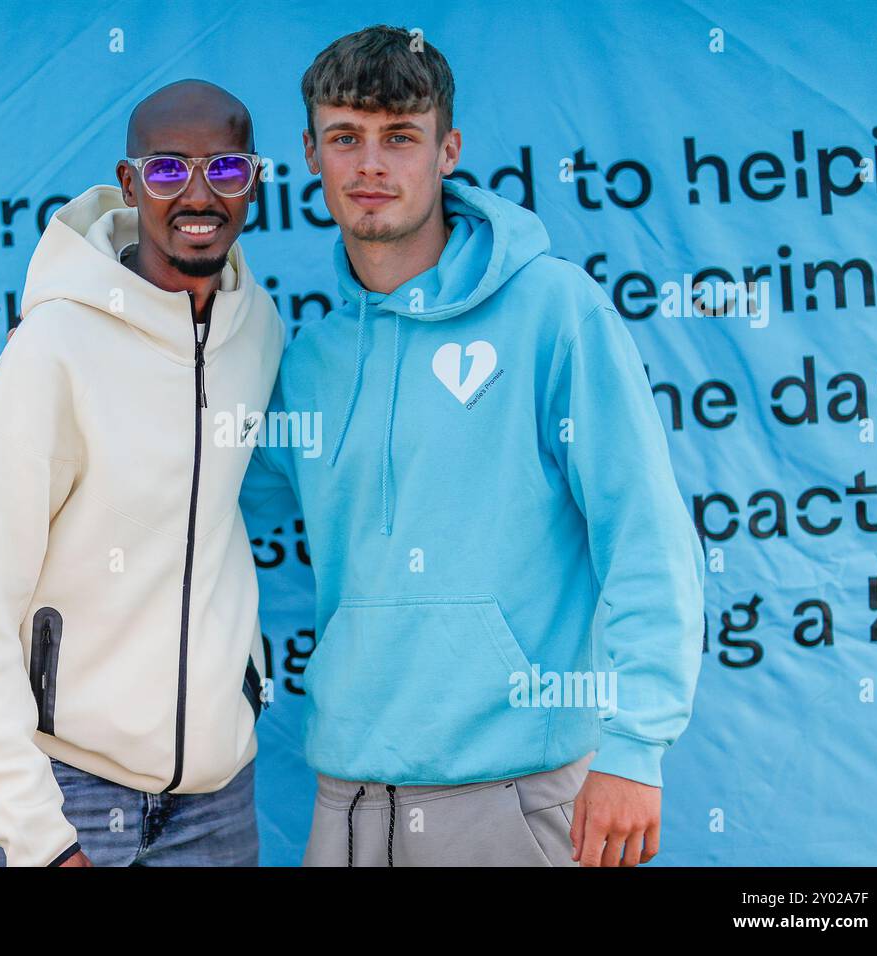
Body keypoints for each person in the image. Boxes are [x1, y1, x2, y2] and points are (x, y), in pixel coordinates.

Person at [240, 26, 705, 867]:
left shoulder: (554, 312)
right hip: (344, 805)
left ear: (447, 150)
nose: (371, 166)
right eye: (345, 138)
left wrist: (637, 746)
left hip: (513, 798)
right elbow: (201, 503)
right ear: (311, 154)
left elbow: (647, 534)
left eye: (400, 138)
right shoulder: (308, 362)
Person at [0, 79, 284, 866]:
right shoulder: (55, 348)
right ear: (129, 186)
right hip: (72, 796)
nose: (199, 193)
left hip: (218, 802)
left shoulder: (257, 329)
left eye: (225, 170)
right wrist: (34, 834)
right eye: (167, 171)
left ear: (254, 182)